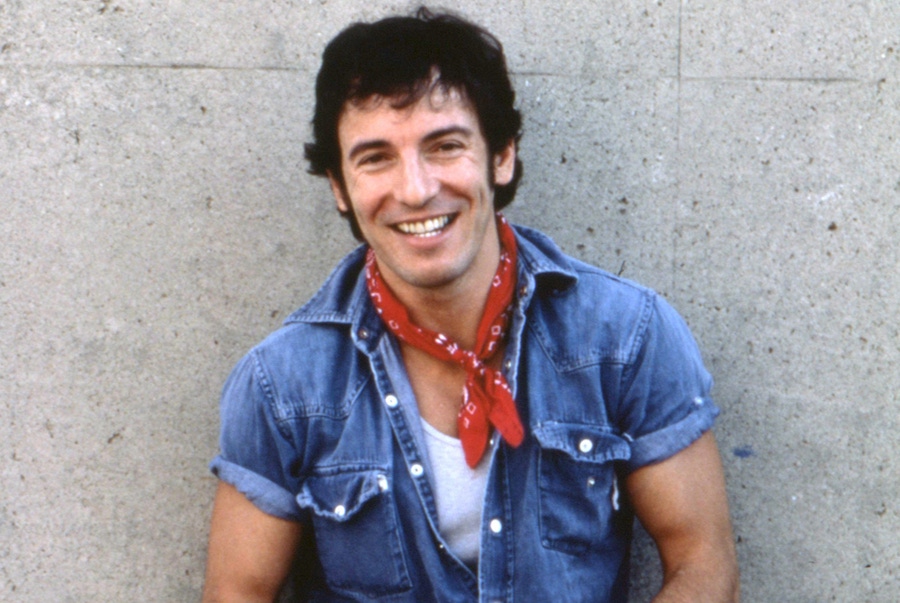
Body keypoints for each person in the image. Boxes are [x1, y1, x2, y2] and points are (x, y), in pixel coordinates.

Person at [202, 7, 739, 602]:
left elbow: (702, 563)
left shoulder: (625, 336)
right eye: (375, 157)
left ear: (501, 155)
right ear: (339, 187)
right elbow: (237, 592)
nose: (416, 189)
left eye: (445, 145)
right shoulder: (282, 384)